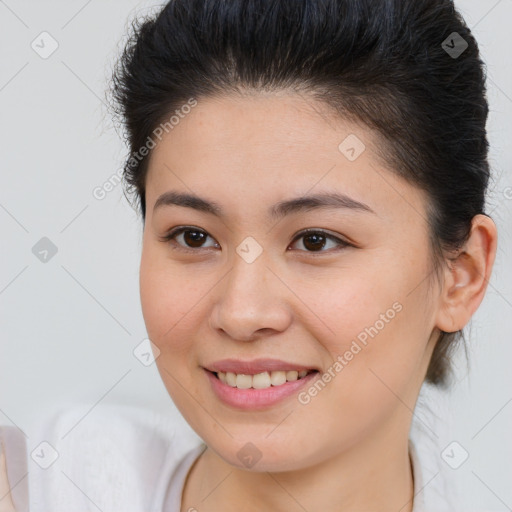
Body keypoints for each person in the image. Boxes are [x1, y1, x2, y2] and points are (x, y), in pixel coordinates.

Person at [1, 0, 498, 510]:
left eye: (315, 240)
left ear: (461, 276)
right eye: (194, 237)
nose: (241, 313)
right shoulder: (38, 488)